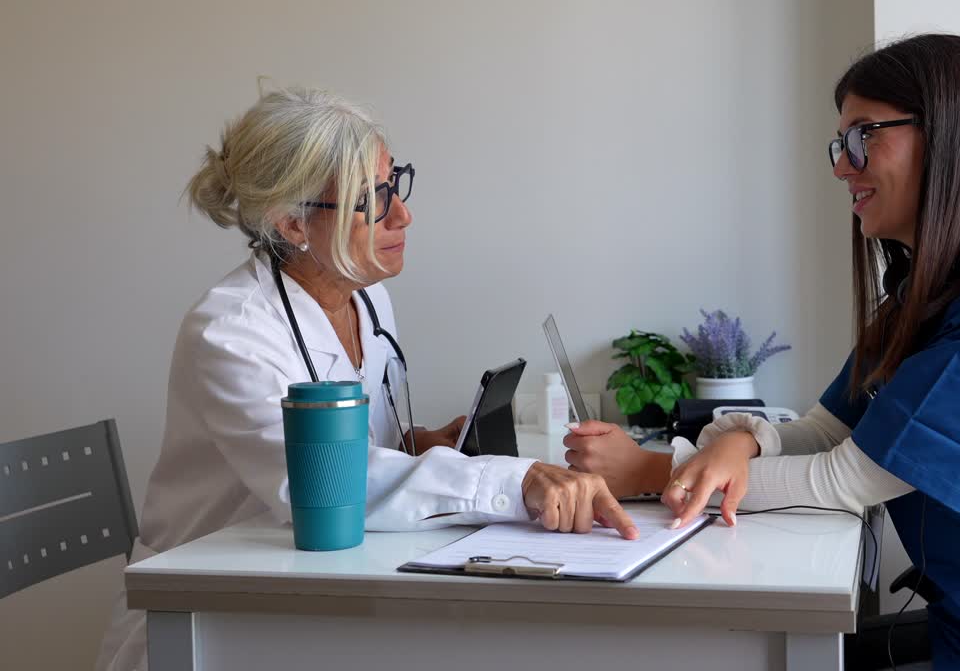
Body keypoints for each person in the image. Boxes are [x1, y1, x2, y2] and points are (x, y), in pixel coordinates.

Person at [565, 35, 960, 670]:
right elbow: (828, 429)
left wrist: (649, 471)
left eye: (864, 136)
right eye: (841, 143)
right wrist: (741, 442)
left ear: (948, 136)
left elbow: (847, 480)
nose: (841, 166)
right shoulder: (936, 287)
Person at [96, 87, 636, 671]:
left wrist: (420, 443)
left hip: (322, 587)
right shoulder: (229, 334)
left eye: (394, 183)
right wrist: (516, 482)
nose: (402, 214)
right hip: (208, 618)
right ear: (291, 222)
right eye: (371, 199)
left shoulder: (367, 298)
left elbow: (362, 449)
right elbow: (322, 485)